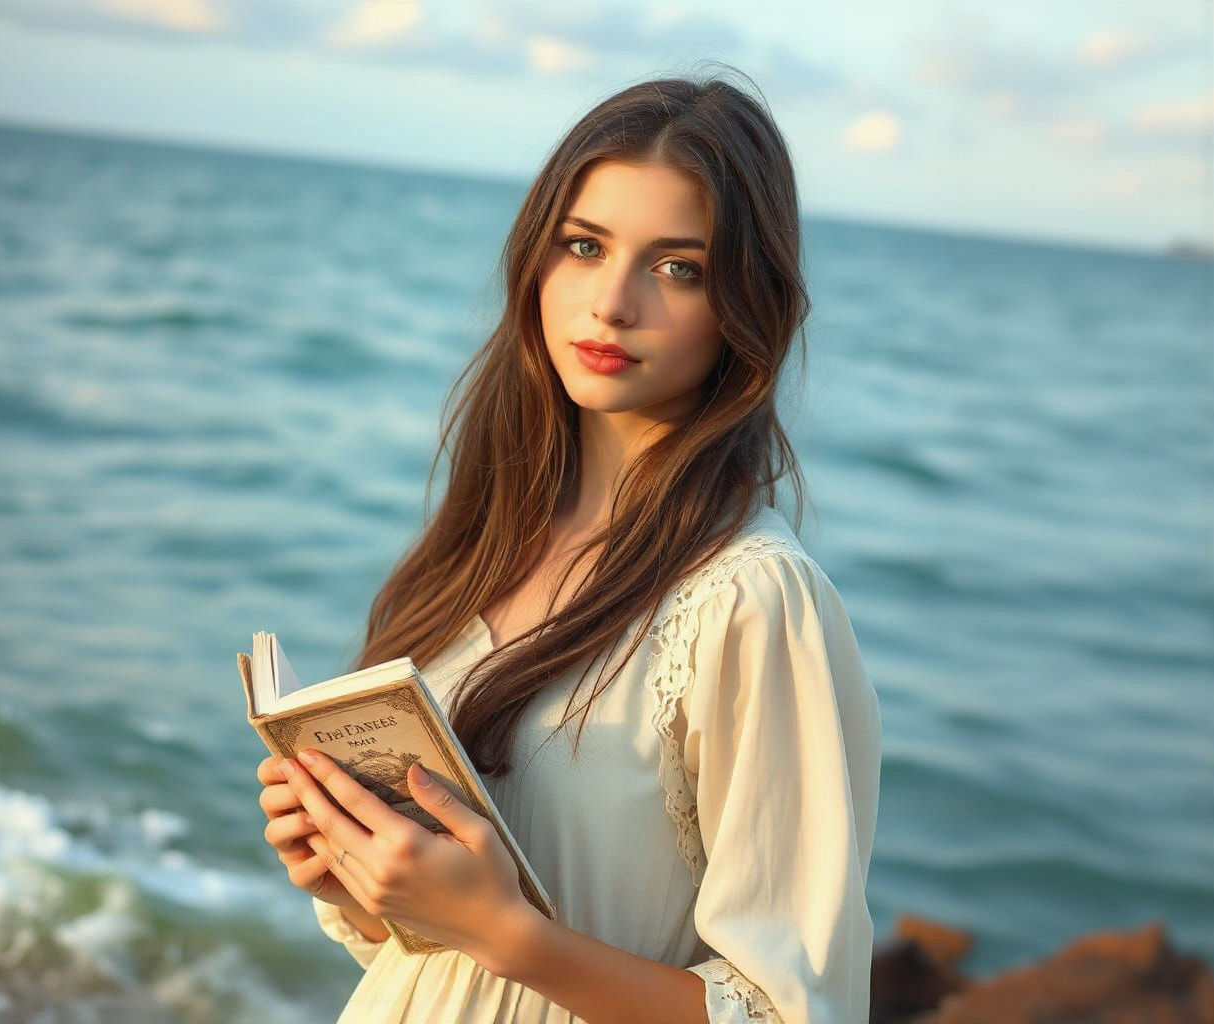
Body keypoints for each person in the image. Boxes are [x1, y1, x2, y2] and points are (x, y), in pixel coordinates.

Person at [255, 70, 881, 1024]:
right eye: (584, 247)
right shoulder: (488, 543)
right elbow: (432, 953)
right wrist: (355, 880)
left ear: (744, 308)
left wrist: (511, 935)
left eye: (679, 267)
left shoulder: (752, 598)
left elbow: (792, 1011)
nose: (611, 302)